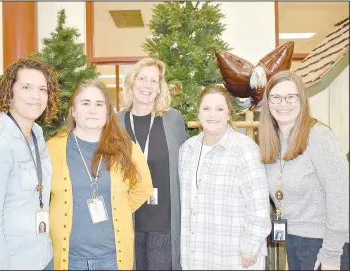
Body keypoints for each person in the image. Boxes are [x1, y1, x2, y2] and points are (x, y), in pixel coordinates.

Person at [45, 79, 153, 270]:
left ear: (107, 111)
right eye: (85, 103)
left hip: (112, 259)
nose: (92, 110)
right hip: (69, 260)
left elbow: (143, 187)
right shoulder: (52, 148)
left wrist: (118, 207)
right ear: (73, 111)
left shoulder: (125, 148)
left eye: (99, 104)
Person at [0, 58, 60, 270]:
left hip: (40, 257)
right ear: (9, 92)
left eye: (42, 89)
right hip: (5, 263)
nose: (36, 96)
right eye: (26, 87)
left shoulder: (36, 135)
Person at [258, 70, 349, 270]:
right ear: (268, 102)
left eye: (291, 96)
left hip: (323, 244)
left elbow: (341, 198)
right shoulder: (273, 143)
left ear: (302, 100)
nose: (283, 104)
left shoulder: (319, 137)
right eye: (276, 97)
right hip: (293, 240)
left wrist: (331, 254)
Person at [179, 85, 271, 270]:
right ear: (198, 113)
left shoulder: (245, 150)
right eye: (206, 109)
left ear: (229, 114)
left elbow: (259, 207)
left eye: (219, 109)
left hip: (235, 256)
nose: (212, 114)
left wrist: (250, 247)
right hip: (198, 254)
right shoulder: (187, 149)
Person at [117, 58, 188, 270]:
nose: (147, 85)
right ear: (132, 82)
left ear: (159, 88)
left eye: (153, 81)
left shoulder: (172, 119)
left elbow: (186, 162)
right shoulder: (117, 122)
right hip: (128, 218)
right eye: (142, 78)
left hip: (163, 220)